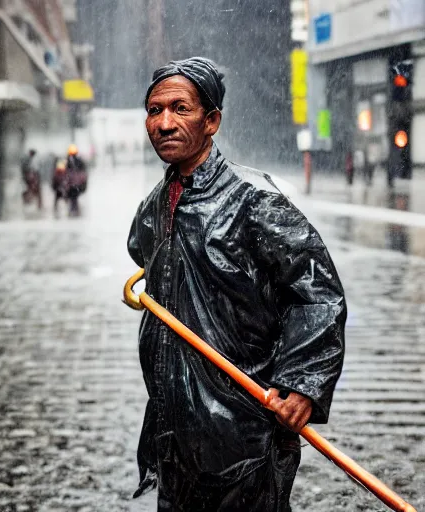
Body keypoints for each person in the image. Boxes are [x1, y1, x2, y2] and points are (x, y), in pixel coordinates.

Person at [127, 57, 346, 511]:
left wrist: (301, 382)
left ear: (211, 121)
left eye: (179, 109)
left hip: (245, 432)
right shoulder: (154, 208)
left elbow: (316, 293)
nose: (164, 123)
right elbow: (140, 251)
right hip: (174, 430)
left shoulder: (255, 201)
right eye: (154, 110)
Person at [65, 144, 88, 217]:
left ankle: (74, 210)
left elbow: (83, 173)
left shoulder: (72, 161)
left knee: (73, 197)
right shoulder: (70, 161)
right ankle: (74, 209)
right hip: (74, 183)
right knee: (73, 197)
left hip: (74, 183)